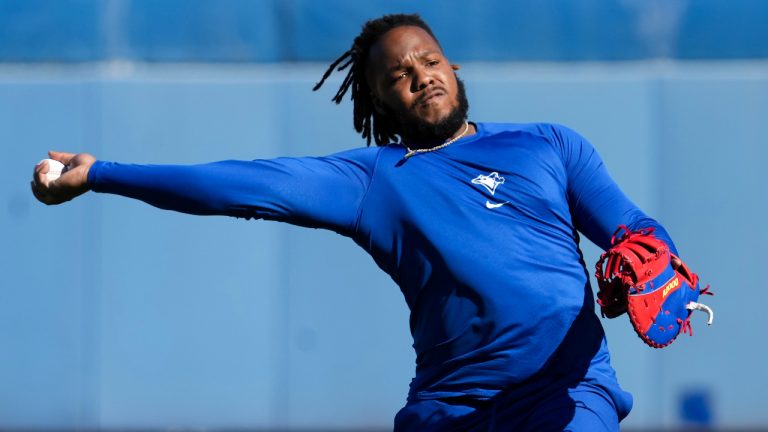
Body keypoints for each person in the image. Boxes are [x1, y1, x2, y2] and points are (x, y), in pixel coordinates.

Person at [31, 13, 679, 431]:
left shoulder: (549, 144)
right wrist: (103, 173)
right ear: (380, 102)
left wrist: (648, 253)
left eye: (427, 60)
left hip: (566, 393)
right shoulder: (375, 179)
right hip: (452, 411)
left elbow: (633, 228)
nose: (419, 76)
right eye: (398, 75)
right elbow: (237, 185)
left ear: (451, 67)